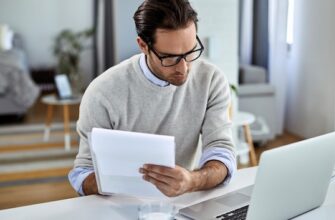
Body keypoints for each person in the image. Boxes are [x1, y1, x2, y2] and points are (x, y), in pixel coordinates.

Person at [68, 0, 236, 197]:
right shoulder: (102, 92)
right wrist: (125, 180)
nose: (184, 69)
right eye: (170, 57)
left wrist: (192, 181)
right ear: (143, 45)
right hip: (119, 205)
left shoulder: (211, 80)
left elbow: (221, 151)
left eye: (190, 52)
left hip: (184, 201)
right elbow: (82, 174)